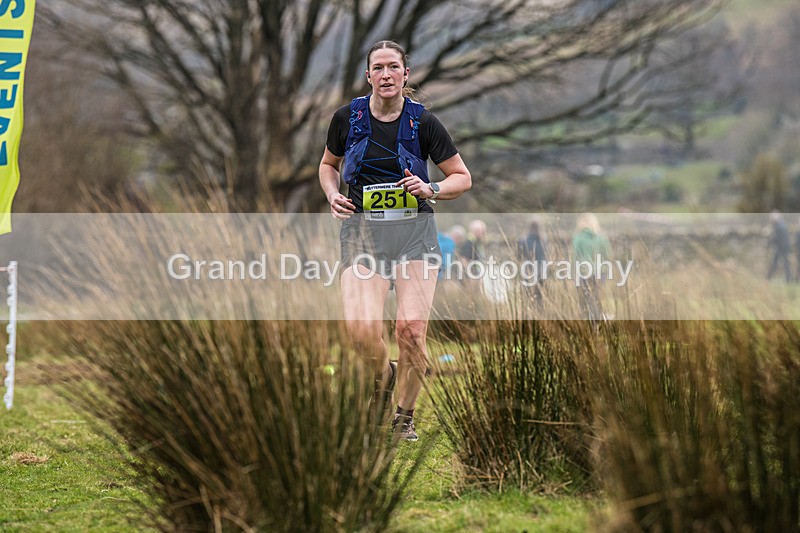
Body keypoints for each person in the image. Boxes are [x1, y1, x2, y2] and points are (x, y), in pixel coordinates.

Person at [318, 40, 471, 441]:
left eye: (393, 67)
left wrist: (431, 187)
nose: (386, 75)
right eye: (378, 68)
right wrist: (333, 194)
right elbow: (327, 166)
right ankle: (382, 376)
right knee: (361, 329)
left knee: (411, 330)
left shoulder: (424, 123)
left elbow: (462, 177)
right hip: (363, 234)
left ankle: (404, 416)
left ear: (406, 74)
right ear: (368, 75)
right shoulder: (347, 119)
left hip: (414, 235)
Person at [572, 213, 611, 323]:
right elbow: (608, 256)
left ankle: (587, 325)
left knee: (584, 300)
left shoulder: (577, 238)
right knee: (597, 299)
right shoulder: (602, 238)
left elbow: (575, 257)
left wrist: (573, 275)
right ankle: (597, 324)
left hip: (583, 273)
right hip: (600, 273)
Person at [518, 217, 547, 310]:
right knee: (540, 299)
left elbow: (519, 256)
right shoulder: (544, 240)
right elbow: (546, 256)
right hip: (541, 272)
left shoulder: (523, 240)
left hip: (527, 272)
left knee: (528, 298)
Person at [767, 210, 791, 282]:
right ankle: (788, 279)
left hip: (781, 248)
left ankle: (768, 277)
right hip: (784, 247)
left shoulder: (778, 226)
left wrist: (769, 243)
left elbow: (776, 238)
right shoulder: (783, 225)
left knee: (775, 263)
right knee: (785, 264)